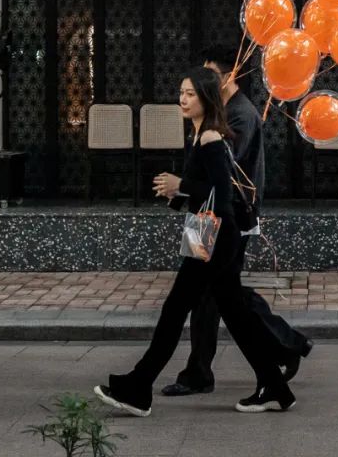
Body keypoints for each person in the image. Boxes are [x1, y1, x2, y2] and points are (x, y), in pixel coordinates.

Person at [94, 66, 296, 416]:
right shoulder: (200, 132)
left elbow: (221, 193)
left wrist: (182, 187)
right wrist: (178, 193)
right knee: (234, 315)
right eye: (181, 93)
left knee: (174, 311)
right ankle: (275, 387)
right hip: (205, 230)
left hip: (213, 234)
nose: (182, 99)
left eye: (190, 94)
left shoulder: (211, 138)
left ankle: (138, 388)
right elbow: (203, 188)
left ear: (207, 98)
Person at [153, 45, 312, 397]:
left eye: (208, 76)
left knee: (218, 294)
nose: (198, 85)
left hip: (228, 218)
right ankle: (274, 350)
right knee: (214, 295)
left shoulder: (240, 115)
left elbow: (221, 173)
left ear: (229, 76)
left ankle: (280, 345)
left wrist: (182, 186)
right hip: (203, 215)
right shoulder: (217, 111)